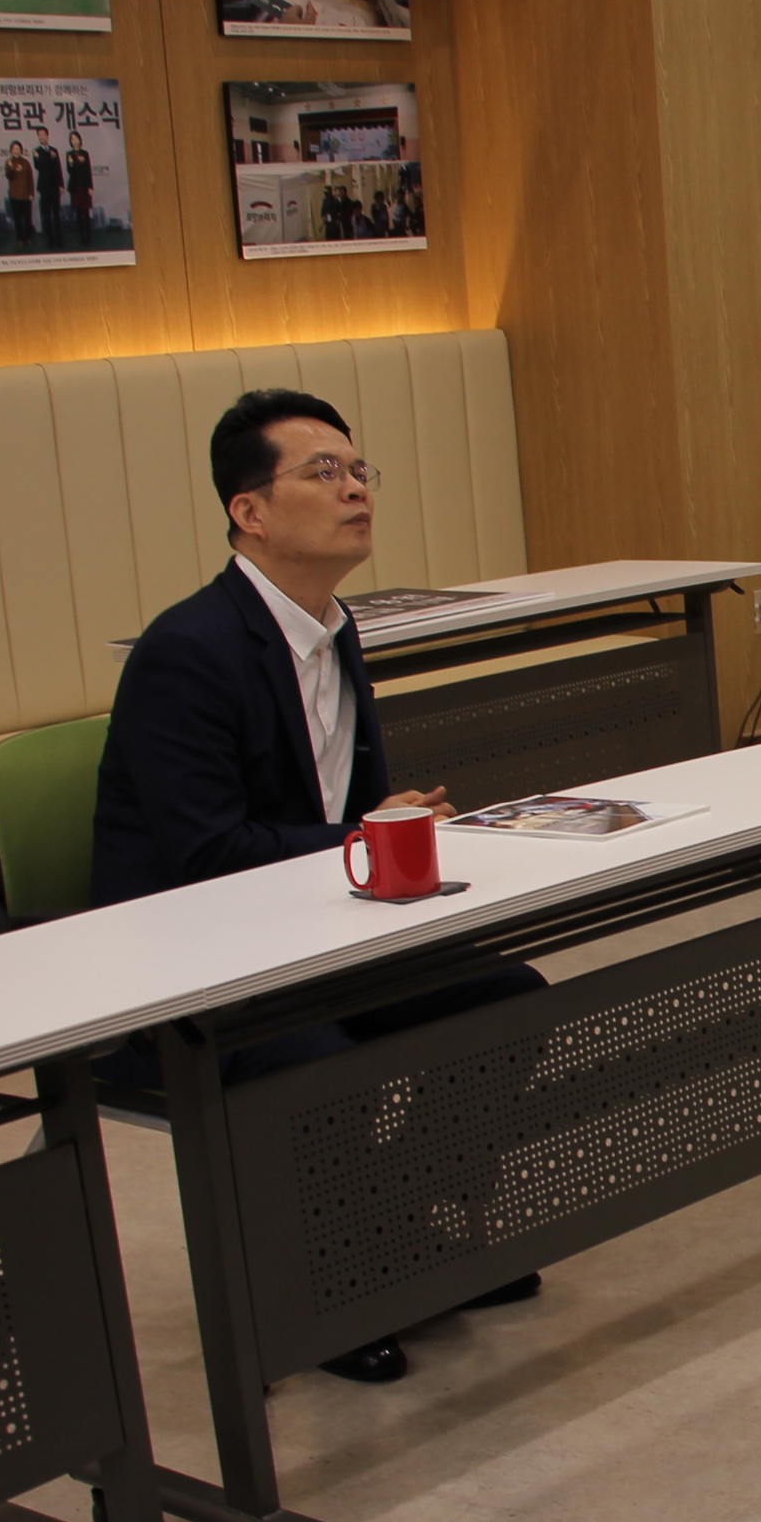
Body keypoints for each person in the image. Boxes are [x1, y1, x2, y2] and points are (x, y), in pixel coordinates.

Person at [93, 390, 546, 1382]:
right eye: (323, 472)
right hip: (190, 964)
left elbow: (332, 808)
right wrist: (366, 838)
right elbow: (205, 855)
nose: (355, 490)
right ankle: (327, 1279)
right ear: (249, 511)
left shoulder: (332, 628)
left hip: (305, 930)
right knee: (314, 1058)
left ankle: (399, 1229)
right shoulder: (188, 652)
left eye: (359, 470)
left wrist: (381, 835)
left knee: (506, 996)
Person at [32, 131, 63, 249]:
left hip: (55, 186)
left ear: (47, 136)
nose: (41, 137)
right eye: (39, 135)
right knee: (47, 215)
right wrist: (42, 157)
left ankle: (59, 240)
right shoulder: (36, 151)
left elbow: (58, 168)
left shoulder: (54, 150)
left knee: (57, 214)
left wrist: (61, 184)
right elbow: (38, 166)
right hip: (44, 187)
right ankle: (50, 241)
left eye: (43, 134)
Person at [65, 133, 95, 250]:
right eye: (72, 139)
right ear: (71, 142)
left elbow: (88, 171)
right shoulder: (69, 154)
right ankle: (82, 237)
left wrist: (90, 187)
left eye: (76, 138)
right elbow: (69, 171)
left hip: (84, 186)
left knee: (86, 213)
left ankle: (88, 237)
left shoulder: (85, 153)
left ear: (80, 140)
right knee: (78, 214)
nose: (74, 141)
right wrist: (71, 163)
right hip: (75, 187)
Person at [1, 142, 33, 249]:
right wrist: (10, 167)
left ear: (21, 150)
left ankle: (29, 237)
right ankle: (20, 239)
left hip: (26, 195)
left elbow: (30, 179)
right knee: (18, 219)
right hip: (14, 195)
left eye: (18, 148)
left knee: (28, 218)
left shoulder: (26, 162)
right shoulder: (9, 162)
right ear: (11, 150)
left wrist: (31, 193)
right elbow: (9, 176)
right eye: (14, 149)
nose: (16, 150)